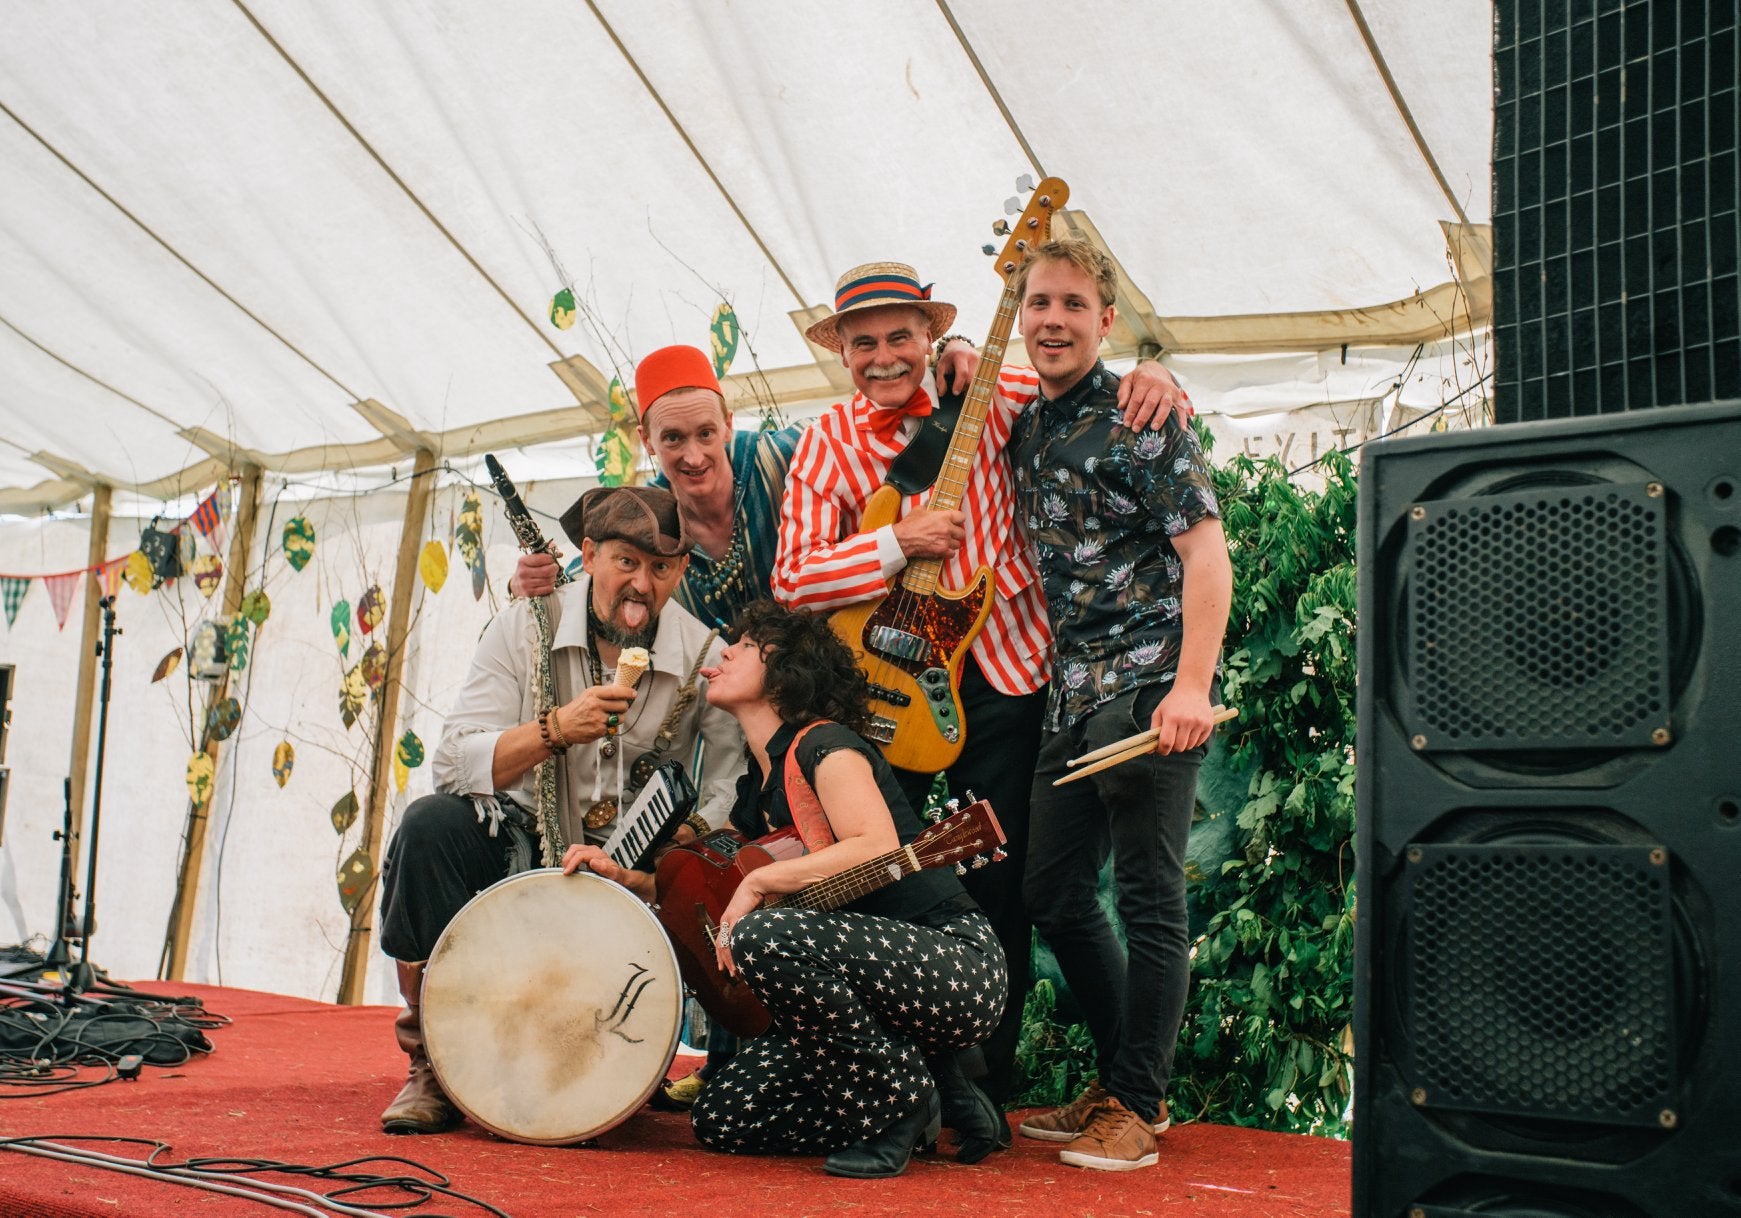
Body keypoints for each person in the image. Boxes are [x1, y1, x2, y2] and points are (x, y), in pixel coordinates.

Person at [508, 339, 979, 1106]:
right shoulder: (653, 517)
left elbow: (891, 438)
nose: (692, 455)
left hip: (830, 704)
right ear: (644, 441)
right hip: (745, 735)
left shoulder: (786, 457)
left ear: (730, 423)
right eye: (671, 439)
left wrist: (949, 360)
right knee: (729, 870)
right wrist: (534, 580)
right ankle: (741, 1051)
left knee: (851, 881)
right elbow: (598, 578)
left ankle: (923, 1078)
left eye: (704, 434)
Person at [771, 260, 1188, 1121]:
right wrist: (897, 543)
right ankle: (884, 1083)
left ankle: (982, 1091)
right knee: (874, 874)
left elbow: (1082, 370)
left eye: (901, 337)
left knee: (1003, 889)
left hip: (1004, 677)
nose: (884, 357)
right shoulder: (824, 443)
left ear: (929, 337)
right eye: (863, 343)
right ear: (841, 352)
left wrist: (1157, 372)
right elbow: (793, 580)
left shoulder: (993, 395)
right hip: (882, 692)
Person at [376, 485, 743, 1134]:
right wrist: (552, 730)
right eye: (626, 562)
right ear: (590, 554)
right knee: (429, 826)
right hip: (517, 847)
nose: (641, 586)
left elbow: (730, 782)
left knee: (712, 863)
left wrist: (686, 835)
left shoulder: (701, 657)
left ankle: (640, 1052)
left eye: (660, 568)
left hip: (631, 872)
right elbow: (453, 761)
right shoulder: (522, 626)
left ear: (681, 571)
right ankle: (430, 1059)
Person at [1007, 239, 1232, 1171]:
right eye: (1036, 303)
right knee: (1051, 893)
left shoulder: (1145, 417)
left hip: (1148, 681)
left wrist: (1189, 688)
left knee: (1147, 895)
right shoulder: (1024, 421)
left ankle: (1139, 1104)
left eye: (1071, 304)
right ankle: (1117, 1080)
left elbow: (1206, 555)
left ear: (1105, 320)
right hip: (1070, 687)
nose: (1051, 319)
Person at [683, 600, 1008, 1178]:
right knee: (724, 1119)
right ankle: (927, 1084)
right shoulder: (756, 791)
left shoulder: (824, 745)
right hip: (881, 1002)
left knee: (764, 936)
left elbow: (875, 842)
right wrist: (621, 877)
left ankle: (894, 1107)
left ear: (784, 670)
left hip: (955, 963)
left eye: (748, 644)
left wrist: (760, 880)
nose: (724, 651)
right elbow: (708, 875)